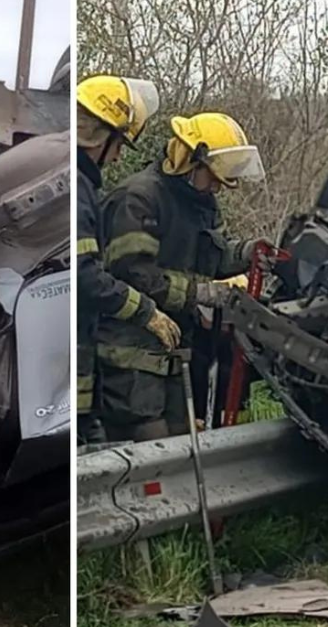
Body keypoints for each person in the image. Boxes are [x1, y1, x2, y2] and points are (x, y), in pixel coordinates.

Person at [98, 112, 270, 441]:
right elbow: (134, 273)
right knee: (151, 448)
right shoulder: (139, 199)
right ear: (190, 160)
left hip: (176, 351)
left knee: (182, 445)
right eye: (215, 177)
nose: (220, 186)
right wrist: (202, 293)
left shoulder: (201, 202)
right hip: (131, 355)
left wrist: (246, 253)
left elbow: (213, 256)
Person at [75, 76, 182, 446]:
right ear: (99, 136)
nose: (119, 156)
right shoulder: (78, 190)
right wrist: (146, 311)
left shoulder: (81, 186)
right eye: (119, 143)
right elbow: (85, 277)